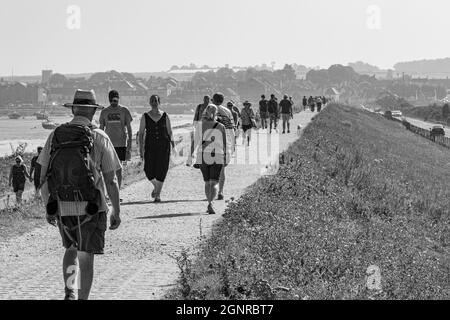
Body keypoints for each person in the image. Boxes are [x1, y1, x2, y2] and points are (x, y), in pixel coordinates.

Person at [38, 89, 122, 300]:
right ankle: (82, 299)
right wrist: (116, 211)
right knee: (86, 256)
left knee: (70, 248)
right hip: (92, 207)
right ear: (93, 112)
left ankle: (70, 292)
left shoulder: (56, 135)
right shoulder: (99, 136)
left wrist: (49, 205)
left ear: (73, 109)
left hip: (62, 204)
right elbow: (111, 179)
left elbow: (42, 176)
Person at [138, 95, 175, 203]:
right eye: (152, 101)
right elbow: (140, 134)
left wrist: (174, 145)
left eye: (156, 100)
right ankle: (156, 187)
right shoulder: (145, 116)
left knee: (162, 169)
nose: (154, 102)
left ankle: (157, 195)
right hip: (150, 147)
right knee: (148, 170)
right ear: (149, 102)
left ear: (159, 102)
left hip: (164, 147)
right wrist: (141, 149)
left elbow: (170, 132)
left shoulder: (165, 115)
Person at [193, 104, 227, 214]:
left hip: (203, 154)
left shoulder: (200, 125)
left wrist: (191, 156)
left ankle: (209, 201)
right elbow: (224, 144)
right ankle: (211, 203)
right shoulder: (221, 126)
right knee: (215, 182)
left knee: (207, 182)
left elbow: (196, 142)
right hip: (217, 154)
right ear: (216, 113)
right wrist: (225, 157)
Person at [99, 90, 133, 189]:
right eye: (111, 100)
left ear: (118, 98)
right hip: (108, 144)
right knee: (108, 170)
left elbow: (129, 129)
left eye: (115, 100)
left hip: (121, 143)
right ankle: (109, 191)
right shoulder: (104, 111)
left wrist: (129, 145)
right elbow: (101, 129)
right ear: (109, 100)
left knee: (119, 169)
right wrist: (100, 144)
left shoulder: (124, 110)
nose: (113, 102)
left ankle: (117, 192)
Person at [211, 93, 233, 201]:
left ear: (213, 100)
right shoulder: (228, 111)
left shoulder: (209, 110)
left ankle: (212, 191)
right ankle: (220, 191)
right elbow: (231, 129)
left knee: (211, 168)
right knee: (222, 169)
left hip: (211, 143)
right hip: (225, 143)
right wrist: (231, 144)